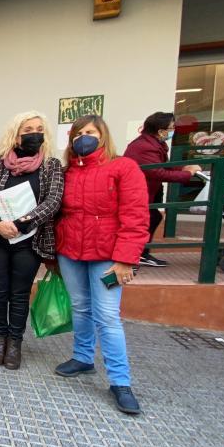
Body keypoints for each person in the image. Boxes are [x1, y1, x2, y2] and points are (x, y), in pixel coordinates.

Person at [54, 114, 148, 415]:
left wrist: (126, 260)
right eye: (79, 132)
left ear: (103, 136)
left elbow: (135, 216)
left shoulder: (123, 168)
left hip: (107, 254)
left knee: (107, 316)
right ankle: (82, 357)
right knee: (80, 307)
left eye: (91, 132)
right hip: (70, 251)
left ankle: (120, 382)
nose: (84, 137)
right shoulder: (67, 173)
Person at [0, 111, 64, 369]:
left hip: (30, 240)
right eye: (27, 129)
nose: (34, 133)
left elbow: (53, 201)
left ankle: (15, 342)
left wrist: (22, 223)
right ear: (15, 134)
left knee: (20, 293)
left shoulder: (51, 165)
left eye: (38, 128)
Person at [124, 111, 201, 267]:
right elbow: (156, 171)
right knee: (146, 220)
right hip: (138, 193)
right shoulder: (144, 146)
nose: (173, 131)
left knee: (153, 218)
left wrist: (183, 167)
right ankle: (137, 254)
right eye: (171, 128)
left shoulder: (154, 144)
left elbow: (162, 164)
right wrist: (187, 173)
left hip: (148, 191)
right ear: (160, 131)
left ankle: (141, 253)